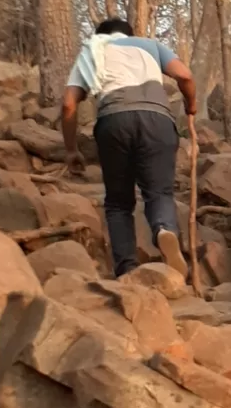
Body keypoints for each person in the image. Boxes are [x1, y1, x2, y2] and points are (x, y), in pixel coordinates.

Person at [62, 18, 195, 281]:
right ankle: (164, 230)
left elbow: (68, 104)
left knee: (118, 202)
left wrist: (71, 149)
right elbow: (185, 75)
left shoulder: (93, 50)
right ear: (129, 34)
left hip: (114, 121)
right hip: (158, 120)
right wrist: (191, 105)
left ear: (101, 35)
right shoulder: (151, 45)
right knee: (159, 193)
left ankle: (127, 270)